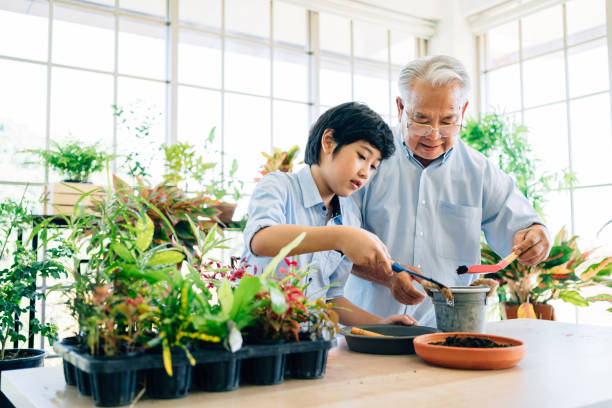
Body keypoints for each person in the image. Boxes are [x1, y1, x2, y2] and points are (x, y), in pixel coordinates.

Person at [344, 55, 552, 327]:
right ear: (400, 107)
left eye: (447, 121)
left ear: (463, 111)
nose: (433, 134)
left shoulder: (478, 171)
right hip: (370, 331)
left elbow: (525, 228)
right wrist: (389, 276)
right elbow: (336, 246)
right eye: (421, 119)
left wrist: (536, 237)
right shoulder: (366, 162)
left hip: (450, 332)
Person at [242, 102, 418, 326]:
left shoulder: (349, 218)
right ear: (328, 141)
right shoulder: (278, 186)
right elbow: (261, 240)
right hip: (259, 337)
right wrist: (340, 237)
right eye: (362, 157)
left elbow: (331, 299)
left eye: (374, 166)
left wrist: (380, 325)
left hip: (311, 344)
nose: (365, 173)